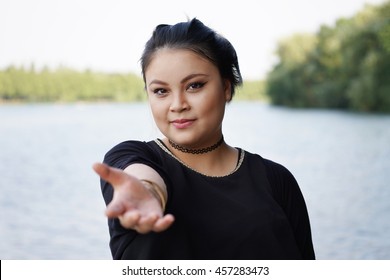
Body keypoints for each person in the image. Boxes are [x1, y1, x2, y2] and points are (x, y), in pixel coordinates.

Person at [93, 18, 315, 260]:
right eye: (161, 91)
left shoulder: (277, 181)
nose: (177, 105)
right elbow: (142, 178)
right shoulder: (134, 157)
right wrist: (148, 193)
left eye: (194, 86)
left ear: (226, 88)